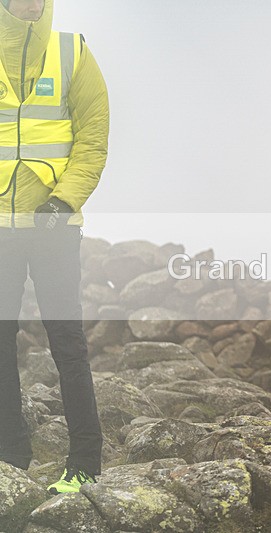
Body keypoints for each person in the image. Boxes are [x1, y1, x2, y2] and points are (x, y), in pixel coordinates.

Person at [0, 0, 109, 493]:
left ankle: (85, 459)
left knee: (68, 343)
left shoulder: (73, 52)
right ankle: (11, 455)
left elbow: (93, 137)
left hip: (54, 228)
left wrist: (63, 202)